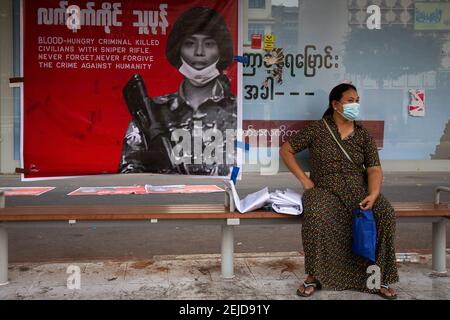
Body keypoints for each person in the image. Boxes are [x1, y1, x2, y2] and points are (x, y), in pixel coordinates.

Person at [279, 83, 399, 299]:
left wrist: (373, 194)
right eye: (350, 100)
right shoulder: (318, 129)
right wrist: (304, 180)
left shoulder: (364, 136)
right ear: (335, 104)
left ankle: (377, 278)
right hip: (325, 189)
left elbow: (374, 169)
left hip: (359, 190)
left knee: (385, 213)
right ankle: (314, 276)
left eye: (357, 100)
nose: (356, 104)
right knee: (316, 212)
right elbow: (287, 149)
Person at [118, 6, 237, 175]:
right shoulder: (152, 111)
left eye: (209, 44)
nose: (199, 52)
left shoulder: (239, 111)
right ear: (178, 49)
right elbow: (128, 172)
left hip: (220, 196)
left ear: (221, 50)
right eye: (190, 43)